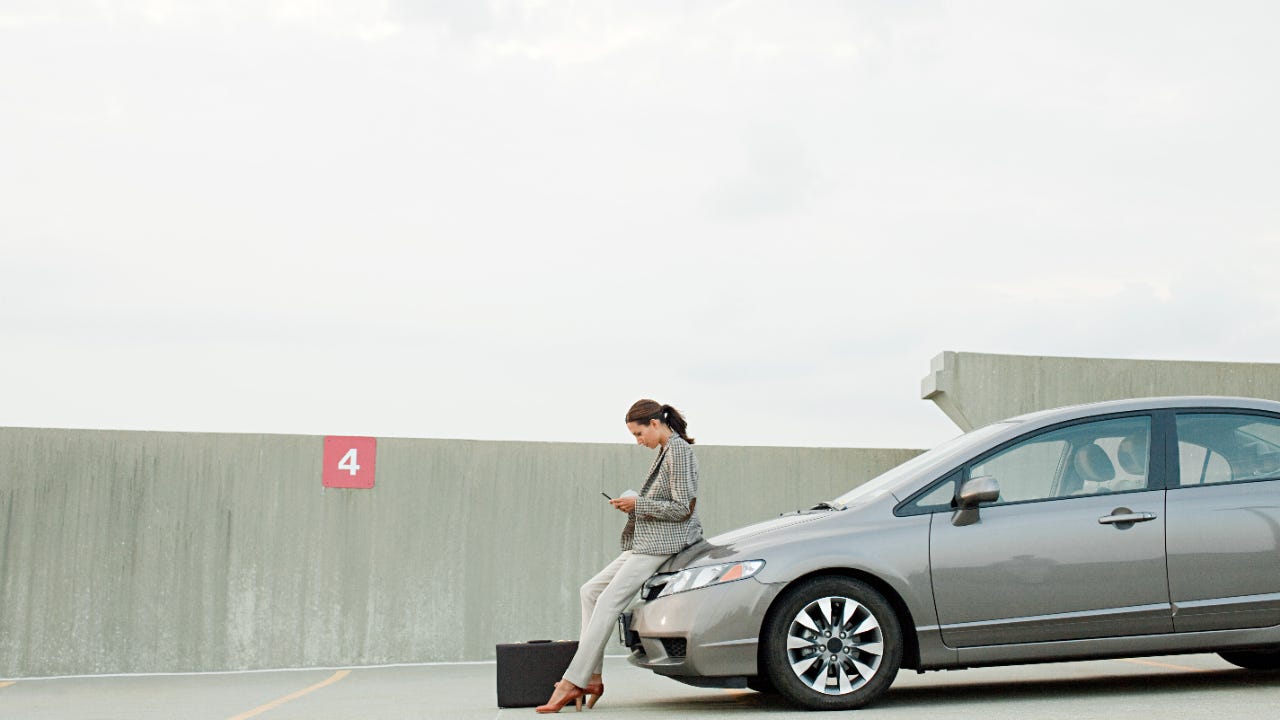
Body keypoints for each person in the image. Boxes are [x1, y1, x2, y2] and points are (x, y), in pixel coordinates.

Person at [536, 399, 703, 713]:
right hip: (649, 541)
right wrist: (636, 500)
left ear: (655, 423)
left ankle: (573, 681)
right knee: (590, 591)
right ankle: (593, 677)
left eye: (639, 434)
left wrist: (636, 505)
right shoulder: (666, 451)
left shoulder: (678, 452)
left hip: (665, 543)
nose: (639, 442)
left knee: (608, 601)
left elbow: (683, 508)